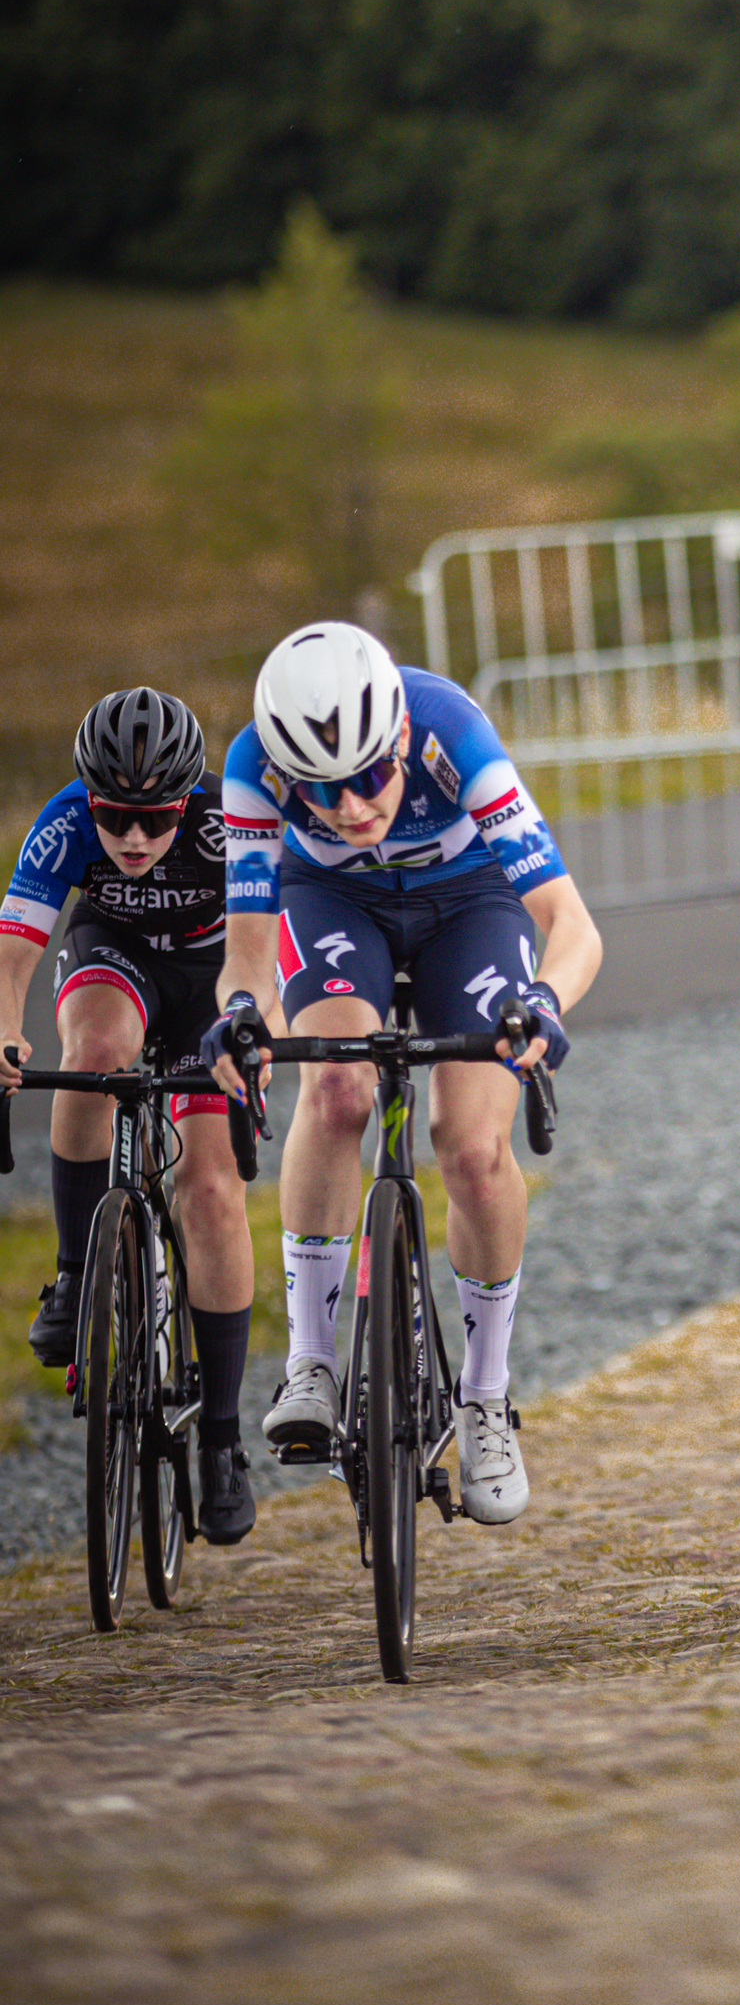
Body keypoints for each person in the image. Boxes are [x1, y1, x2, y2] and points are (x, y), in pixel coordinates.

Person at [209, 622, 601, 1526]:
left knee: (469, 1143)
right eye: (324, 790)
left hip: (471, 899)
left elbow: (572, 926)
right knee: (337, 1086)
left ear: (397, 745)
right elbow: (249, 960)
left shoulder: (450, 732)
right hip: (334, 900)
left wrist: (542, 1003)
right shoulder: (249, 769)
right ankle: (311, 1355)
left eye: (371, 779)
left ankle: (486, 1397)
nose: (351, 808)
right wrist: (239, 1021)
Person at [0, 690, 259, 1543]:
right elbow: (15, 946)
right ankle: (78, 1274)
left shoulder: (229, 822)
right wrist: (4, 1032)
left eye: (154, 819)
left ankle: (221, 1439)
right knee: (94, 1053)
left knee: (212, 1188)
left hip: (213, 984)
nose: (135, 839)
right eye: (116, 818)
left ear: (186, 800)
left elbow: (278, 935)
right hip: (114, 953)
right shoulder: (66, 818)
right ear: (91, 799)